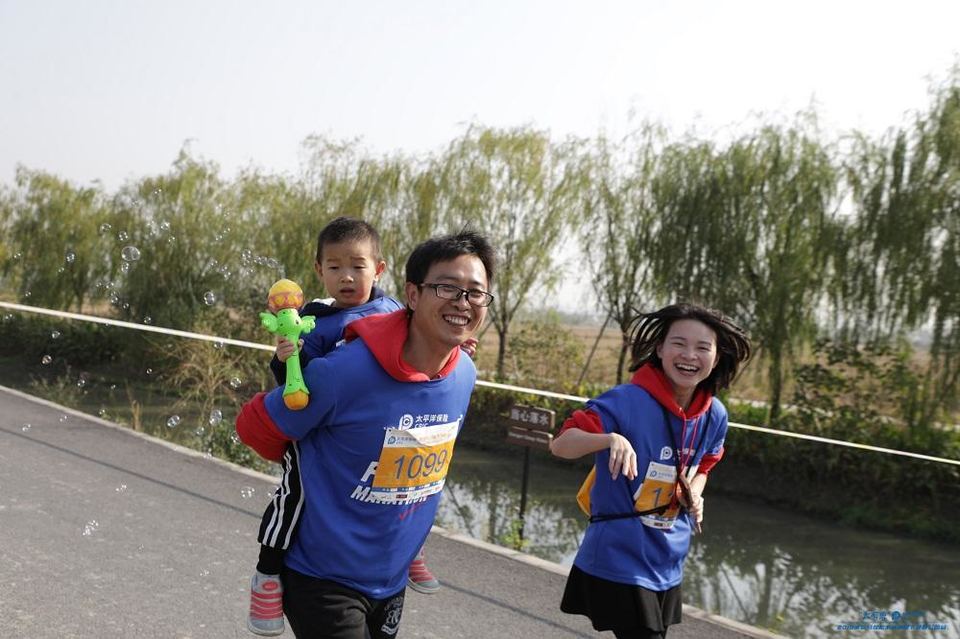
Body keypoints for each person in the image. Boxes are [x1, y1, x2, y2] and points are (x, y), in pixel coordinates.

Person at [236, 230, 495, 639]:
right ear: (413, 294)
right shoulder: (342, 371)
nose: (462, 301)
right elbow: (255, 429)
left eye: (475, 292)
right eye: (447, 287)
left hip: (391, 580)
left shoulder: (465, 373)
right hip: (323, 579)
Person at [550, 303, 751, 639]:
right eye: (679, 343)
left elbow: (706, 463)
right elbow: (561, 444)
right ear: (659, 349)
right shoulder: (626, 401)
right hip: (619, 555)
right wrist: (608, 439)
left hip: (669, 557)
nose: (690, 355)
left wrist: (695, 493)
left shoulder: (714, 414)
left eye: (703, 347)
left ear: (716, 357)